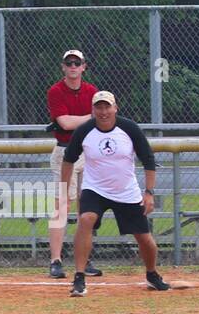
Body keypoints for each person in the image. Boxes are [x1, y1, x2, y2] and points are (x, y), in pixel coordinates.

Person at [60, 91, 169, 297]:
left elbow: (148, 159)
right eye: (98, 107)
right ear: (92, 110)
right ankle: (79, 277)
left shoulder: (129, 128)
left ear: (115, 108)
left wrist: (149, 192)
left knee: (144, 238)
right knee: (86, 219)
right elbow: (68, 159)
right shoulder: (84, 131)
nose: (103, 112)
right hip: (95, 189)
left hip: (125, 191)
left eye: (107, 107)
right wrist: (64, 191)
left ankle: (152, 274)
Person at [46, 48, 101, 279]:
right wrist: (90, 118)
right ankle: (56, 260)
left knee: (85, 209)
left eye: (76, 63)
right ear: (63, 67)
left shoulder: (92, 91)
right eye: (68, 63)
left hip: (88, 152)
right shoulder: (56, 91)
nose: (72, 67)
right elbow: (65, 123)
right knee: (61, 207)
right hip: (64, 151)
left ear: (83, 67)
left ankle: (83, 259)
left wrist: (86, 120)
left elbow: (101, 119)